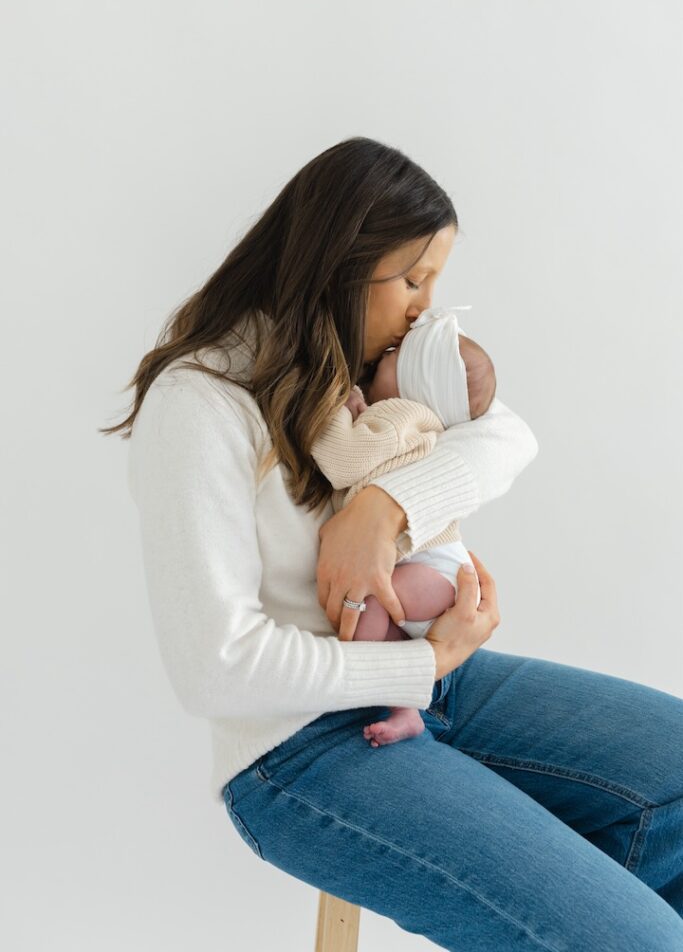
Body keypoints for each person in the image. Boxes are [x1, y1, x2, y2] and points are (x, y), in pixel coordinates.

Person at [104, 137, 683, 949]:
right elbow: (216, 669)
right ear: (338, 263)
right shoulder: (200, 403)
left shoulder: (364, 366)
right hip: (299, 746)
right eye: (412, 280)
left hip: (440, 683)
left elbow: (507, 434)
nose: (423, 310)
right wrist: (420, 666)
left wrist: (383, 507)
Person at [310, 303, 496, 748]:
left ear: (415, 383)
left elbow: (342, 461)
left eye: (397, 356)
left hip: (437, 574)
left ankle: (359, 689)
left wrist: (334, 404)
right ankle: (406, 711)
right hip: (435, 574)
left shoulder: (401, 416)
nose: (386, 353)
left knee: (368, 598)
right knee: (385, 627)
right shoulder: (408, 420)